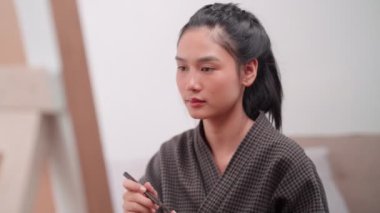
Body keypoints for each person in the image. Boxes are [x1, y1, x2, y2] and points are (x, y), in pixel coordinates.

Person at [123, 3, 329, 213]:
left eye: (207, 68)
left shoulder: (287, 163)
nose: (191, 83)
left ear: (248, 71)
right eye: (182, 68)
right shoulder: (169, 158)